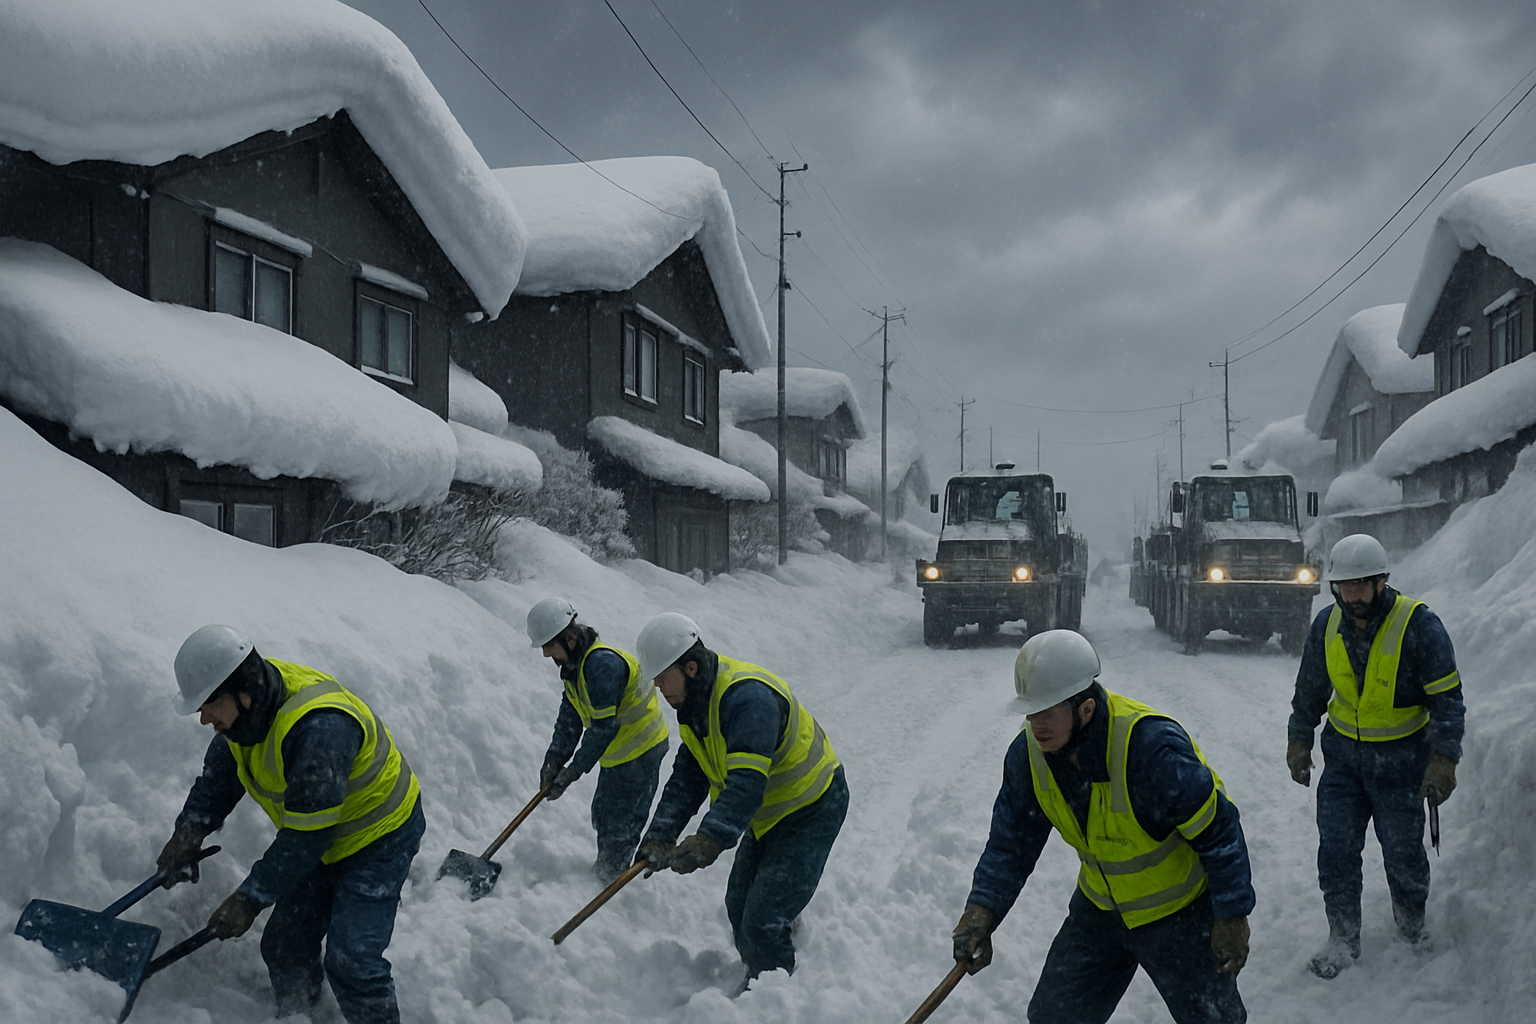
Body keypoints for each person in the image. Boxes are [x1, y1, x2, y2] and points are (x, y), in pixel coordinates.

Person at [953, 629, 1253, 1024]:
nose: (1034, 724)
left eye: (1046, 711)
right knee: (1054, 1017)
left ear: (1086, 708)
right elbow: (1011, 843)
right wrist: (982, 910)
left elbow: (1219, 830)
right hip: (1101, 913)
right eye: (1030, 711)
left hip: (1179, 915)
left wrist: (1231, 914)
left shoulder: (1151, 750)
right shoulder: (1029, 756)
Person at [155, 625, 424, 1024]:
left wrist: (249, 899)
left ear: (243, 693)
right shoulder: (250, 713)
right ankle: (301, 1013)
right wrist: (189, 832)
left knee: (352, 961)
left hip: (378, 839)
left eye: (208, 706)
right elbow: (219, 780)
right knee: (284, 946)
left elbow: (306, 837)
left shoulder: (320, 730)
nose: (204, 719)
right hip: (320, 838)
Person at [632, 612, 847, 984]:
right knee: (738, 906)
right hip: (769, 815)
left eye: (662, 678)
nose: (658, 688)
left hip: (812, 808)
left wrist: (709, 839)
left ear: (692, 668)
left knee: (762, 918)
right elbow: (689, 775)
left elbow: (746, 784)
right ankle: (764, 968)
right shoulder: (694, 707)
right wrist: (660, 835)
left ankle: (774, 997)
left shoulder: (748, 701)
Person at [1287, 533, 1464, 978]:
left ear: (1382, 581)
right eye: (1345, 587)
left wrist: (1445, 759)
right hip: (1344, 762)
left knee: (1403, 853)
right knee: (1338, 851)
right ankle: (1342, 939)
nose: (1354, 596)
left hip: (1402, 764)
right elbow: (1309, 690)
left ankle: (1411, 928)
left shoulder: (1419, 626)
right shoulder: (1327, 625)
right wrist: (1299, 740)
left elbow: (1448, 700)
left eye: (1363, 585)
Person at [526, 596, 669, 882]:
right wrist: (554, 761)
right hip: (618, 751)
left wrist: (573, 771)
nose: (545, 655)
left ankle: (608, 880)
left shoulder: (602, 667)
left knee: (621, 820)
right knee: (604, 812)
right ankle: (607, 870)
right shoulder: (573, 667)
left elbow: (604, 728)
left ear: (568, 639)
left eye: (548, 646)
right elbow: (570, 718)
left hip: (641, 749)